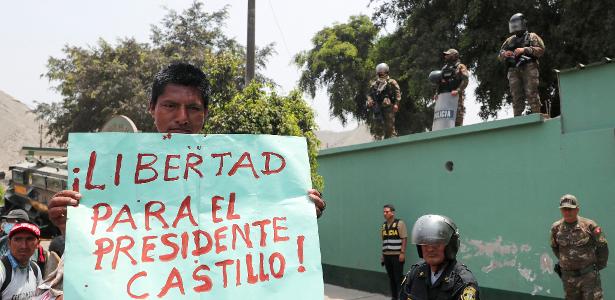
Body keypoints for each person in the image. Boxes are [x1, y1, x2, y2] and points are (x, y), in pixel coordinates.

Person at [399, 214, 479, 300]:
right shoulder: (415, 272)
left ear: (450, 245)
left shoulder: (462, 282)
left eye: (436, 242)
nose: (430, 249)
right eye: (425, 243)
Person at [550, 194, 608, 300]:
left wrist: (598, 266)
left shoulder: (589, 226)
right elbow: (555, 247)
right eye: (564, 209)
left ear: (577, 210)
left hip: (588, 277)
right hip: (569, 278)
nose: (567, 212)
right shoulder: (556, 228)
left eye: (570, 209)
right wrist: (566, 263)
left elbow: (602, 246)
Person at [498, 13, 546, 117]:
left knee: (531, 92)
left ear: (523, 23)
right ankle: (517, 119)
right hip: (513, 70)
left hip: (529, 67)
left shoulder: (532, 36)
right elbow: (500, 54)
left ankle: (537, 115)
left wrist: (524, 49)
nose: (515, 26)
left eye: (517, 23)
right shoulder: (509, 40)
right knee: (516, 96)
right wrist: (505, 54)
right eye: (513, 24)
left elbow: (541, 50)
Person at [0, 222, 43, 299]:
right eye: (18, 239)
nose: (23, 246)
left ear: (38, 244)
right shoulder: (2, 270)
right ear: (9, 243)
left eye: (29, 239)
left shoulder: (35, 268)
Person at [366, 63, 401, 140]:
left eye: (382, 73)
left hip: (388, 107)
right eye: (379, 73)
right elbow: (369, 94)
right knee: (377, 125)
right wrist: (369, 100)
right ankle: (378, 141)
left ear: (386, 72)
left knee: (389, 126)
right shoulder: (374, 84)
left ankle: (392, 140)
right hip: (377, 107)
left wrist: (396, 104)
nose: (380, 74)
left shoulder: (391, 82)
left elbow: (398, 93)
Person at [381, 204, 407, 300]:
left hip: (397, 256)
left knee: (398, 278)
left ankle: (401, 297)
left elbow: (404, 238)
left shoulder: (399, 223)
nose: (385, 213)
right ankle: (394, 297)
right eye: (384, 212)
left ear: (392, 213)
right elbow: (384, 241)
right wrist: (382, 255)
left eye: (387, 211)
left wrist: (402, 253)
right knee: (391, 278)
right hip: (387, 256)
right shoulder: (384, 225)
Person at [437, 49, 469, 127]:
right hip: (445, 99)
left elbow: (465, 80)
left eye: (448, 54)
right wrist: (437, 94)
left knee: (457, 122)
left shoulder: (460, 66)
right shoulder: (444, 68)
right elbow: (440, 82)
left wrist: (457, 90)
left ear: (454, 55)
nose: (446, 56)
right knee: (444, 122)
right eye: (446, 55)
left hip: (456, 99)